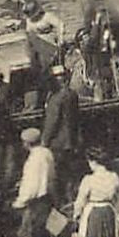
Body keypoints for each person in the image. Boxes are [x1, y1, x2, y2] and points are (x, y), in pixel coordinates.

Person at [13, 127, 55, 237]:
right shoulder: (47, 153)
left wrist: (18, 202)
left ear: (26, 143)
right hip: (47, 199)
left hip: (35, 203)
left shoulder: (32, 161)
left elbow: (30, 188)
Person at [41, 65, 82, 206]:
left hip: (57, 144)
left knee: (57, 177)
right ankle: (72, 201)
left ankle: (61, 205)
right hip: (71, 141)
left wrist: (44, 142)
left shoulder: (56, 98)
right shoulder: (72, 94)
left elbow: (52, 122)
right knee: (70, 176)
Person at [71, 147, 119, 237]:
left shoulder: (88, 179)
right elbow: (116, 197)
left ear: (93, 162)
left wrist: (76, 215)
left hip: (93, 212)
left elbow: (80, 201)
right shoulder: (114, 177)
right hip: (109, 211)